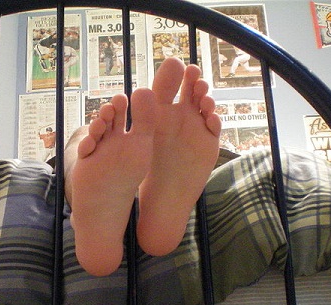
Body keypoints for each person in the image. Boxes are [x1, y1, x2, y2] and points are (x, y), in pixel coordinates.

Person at [63, 57, 222, 276]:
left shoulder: (112, 142)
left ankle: (86, 209)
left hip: (122, 166)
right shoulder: (132, 147)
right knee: (90, 146)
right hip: (133, 164)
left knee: (79, 142)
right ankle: (159, 196)